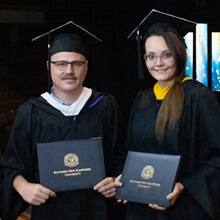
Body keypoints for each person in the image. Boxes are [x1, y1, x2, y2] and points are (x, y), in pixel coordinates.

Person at [1, 21, 124, 220]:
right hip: (50, 211)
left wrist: (117, 180)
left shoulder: (105, 106)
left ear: (86, 67)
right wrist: (22, 186)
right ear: (48, 66)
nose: (69, 70)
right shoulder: (32, 112)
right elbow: (11, 164)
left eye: (76, 63)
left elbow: (121, 155)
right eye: (61, 64)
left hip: (98, 210)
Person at [117, 9, 220, 220]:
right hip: (142, 209)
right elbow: (130, 150)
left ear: (179, 54)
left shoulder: (198, 96)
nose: (158, 63)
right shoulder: (142, 99)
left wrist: (184, 186)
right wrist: (124, 178)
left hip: (184, 210)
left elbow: (217, 158)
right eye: (151, 56)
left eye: (166, 55)